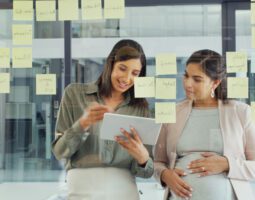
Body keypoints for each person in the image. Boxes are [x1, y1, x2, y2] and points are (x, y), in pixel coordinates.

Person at [52, 39, 153, 200]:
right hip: (81, 190)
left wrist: (143, 158)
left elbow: (147, 172)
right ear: (110, 64)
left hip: (124, 191)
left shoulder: (141, 108)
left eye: (135, 73)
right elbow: (60, 152)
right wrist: (82, 124)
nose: (127, 78)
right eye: (122, 68)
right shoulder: (74, 94)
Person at [153, 49, 255, 200]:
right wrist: (165, 175)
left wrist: (228, 164)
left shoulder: (240, 112)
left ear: (215, 82)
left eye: (197, 79)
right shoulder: (173, 113)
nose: (188, 83)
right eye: (186, 76)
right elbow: (157, 162)